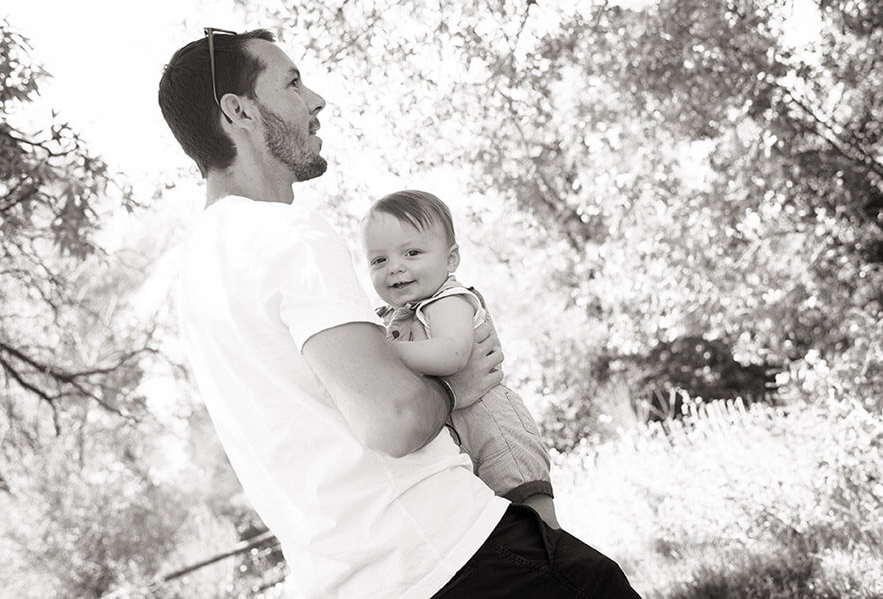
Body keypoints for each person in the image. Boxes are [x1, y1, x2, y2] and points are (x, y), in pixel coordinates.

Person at [158, 27, 642, 599]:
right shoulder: (284, 236)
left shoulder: (195, 278)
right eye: (291, 83)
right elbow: (392, 418)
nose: (316, 100)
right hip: (452, 552)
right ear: (239, 111)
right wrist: (457, 384)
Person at [361, 190, 559, 529]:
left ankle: (568, 573)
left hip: (496, 432)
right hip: (460, 440)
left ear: (451, 259)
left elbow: (451, 354)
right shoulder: (400, 316)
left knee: (538, 528)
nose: (395, 268)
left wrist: (382, 352)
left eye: (412, 252)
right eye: (379, 260)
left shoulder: (447, 300)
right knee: (501, 536)